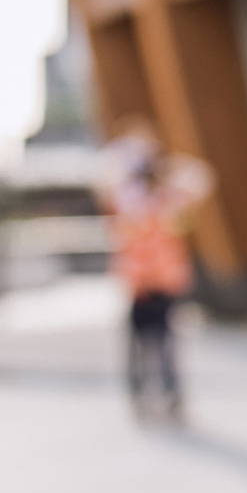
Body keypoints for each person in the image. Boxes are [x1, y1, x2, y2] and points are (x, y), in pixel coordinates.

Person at [104, 122, 210, 424]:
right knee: (140, 347)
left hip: (164, 283)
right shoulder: (128, 202)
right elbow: (107, 177)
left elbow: (199, 177)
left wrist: (164, 165)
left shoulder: (169, 202)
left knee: (166, 345)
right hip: (139, 285)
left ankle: (170, 399)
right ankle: (142, 398)